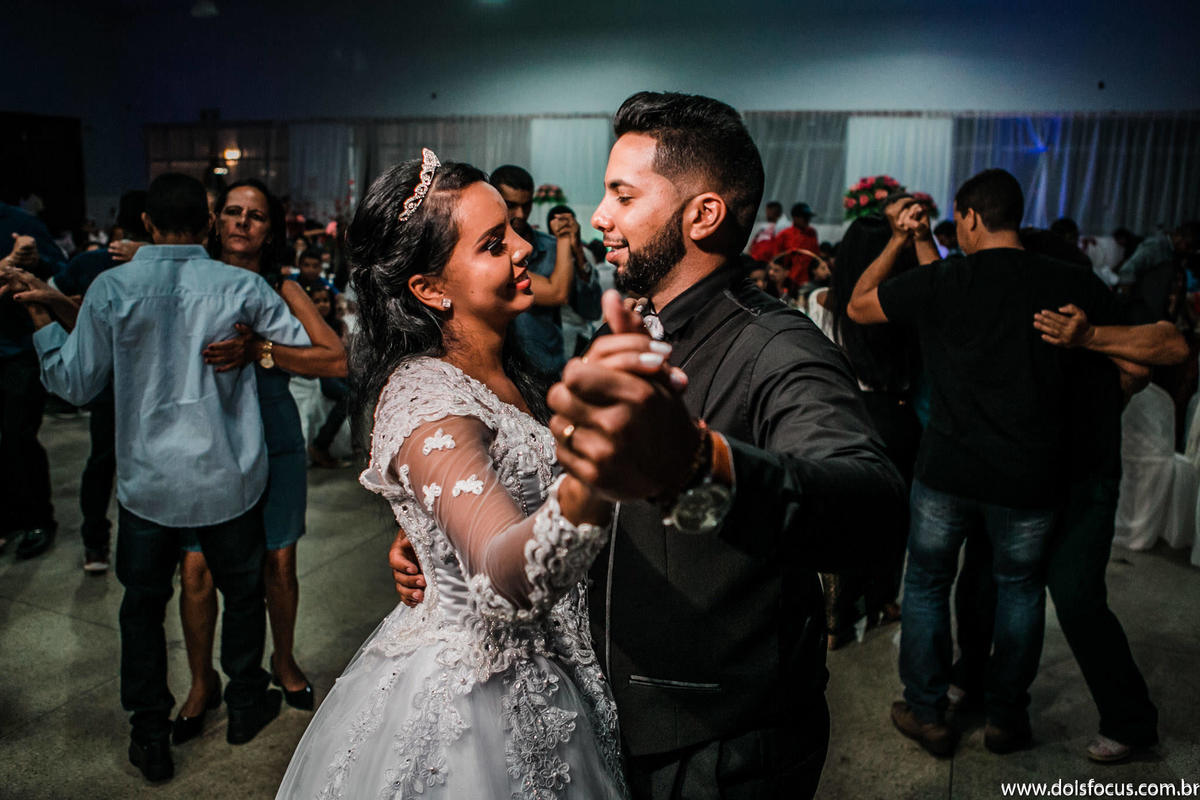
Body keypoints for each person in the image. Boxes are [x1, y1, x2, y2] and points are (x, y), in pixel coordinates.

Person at [395, 92, 906, 799]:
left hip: (714, 740)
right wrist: (453, 537)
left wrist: (702, 468)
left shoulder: (778, 346)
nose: (599, 216)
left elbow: (874, 510)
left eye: (622, 195)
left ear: (702, 215)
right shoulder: (627, 326)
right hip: (610, 714)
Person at [276, 150, 640, 798]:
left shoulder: (506, 367)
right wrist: (593, 477)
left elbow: (490, 493)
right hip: (483, 699)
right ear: (430, 289)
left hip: (560, 663)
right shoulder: (427, 399)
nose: (526, 249)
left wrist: (429, 534)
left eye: (514, 232)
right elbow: (503, 568)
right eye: (495, 244)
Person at [12, 173, 310, 781]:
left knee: (142, 610)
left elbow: (74, 384)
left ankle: (150, 731)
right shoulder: (238, 286)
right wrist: (257, 346)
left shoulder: (112, 288)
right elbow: (301, 345)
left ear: (146, 225)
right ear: (205, 224)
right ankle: (247, 700)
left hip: (150, 486)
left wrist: (44, 319)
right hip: (229, 477)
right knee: (243, 593)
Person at [845, 169, 1143, 758]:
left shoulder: (948, 280)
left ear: (971, 217)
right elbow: (1138, 355)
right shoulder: (1069, 281)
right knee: (1020, 590)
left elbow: (857, 306)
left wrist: (899, 241)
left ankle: (929, 712)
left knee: (928, 583)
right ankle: (1007, 718)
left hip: (946, 470)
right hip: (1028, 476)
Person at [174, 179, 346, 744]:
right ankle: (202, 683)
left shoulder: (284, 286)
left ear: (270, 229)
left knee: (279, 561)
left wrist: (261, 350)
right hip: (207, 437)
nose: (243, 222)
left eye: (256, 215)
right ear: (214, 219)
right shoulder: (186, 281)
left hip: (273, 434)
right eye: (233, 211)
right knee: (196, 567)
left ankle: (285, 661)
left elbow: (335, 360)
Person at [813, 210, 923, 648]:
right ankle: (880, 602)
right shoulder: (904, 309)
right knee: (891, 518)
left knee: (840, 517)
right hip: (895, 414)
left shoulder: (821, 302)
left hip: (838, 414)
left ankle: (835, 620)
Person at [51, 190, 151, 573]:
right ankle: (143, 546)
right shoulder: (175, 268)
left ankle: (96, 544)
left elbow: (48, 294)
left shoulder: (88, 262)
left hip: (108, 384)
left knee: (102, 463)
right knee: (140, 465)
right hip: (149, 385)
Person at [490, 165, 601, 377]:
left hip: (547, 372)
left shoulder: (552, 248)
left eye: (527, 205)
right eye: (511, 205)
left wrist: (578, 255)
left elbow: (591, 311)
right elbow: (555, 293)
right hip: (502, 372)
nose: (521, 214)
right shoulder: (489, 251)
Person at [0, 203, 64, 559]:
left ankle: (37, 519)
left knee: (18, 436)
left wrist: (36, 262)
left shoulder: (22, 223)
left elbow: (62, 274)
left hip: (17, 350)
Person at [766, 200, 819, 285]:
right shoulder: (784, 235)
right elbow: (775, 259)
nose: (808, 221)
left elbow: (816, 255)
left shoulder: (812, 232)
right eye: (805, 218)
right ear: (795, 217)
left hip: (808, 280)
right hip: (788, 281)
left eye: (808, 218)